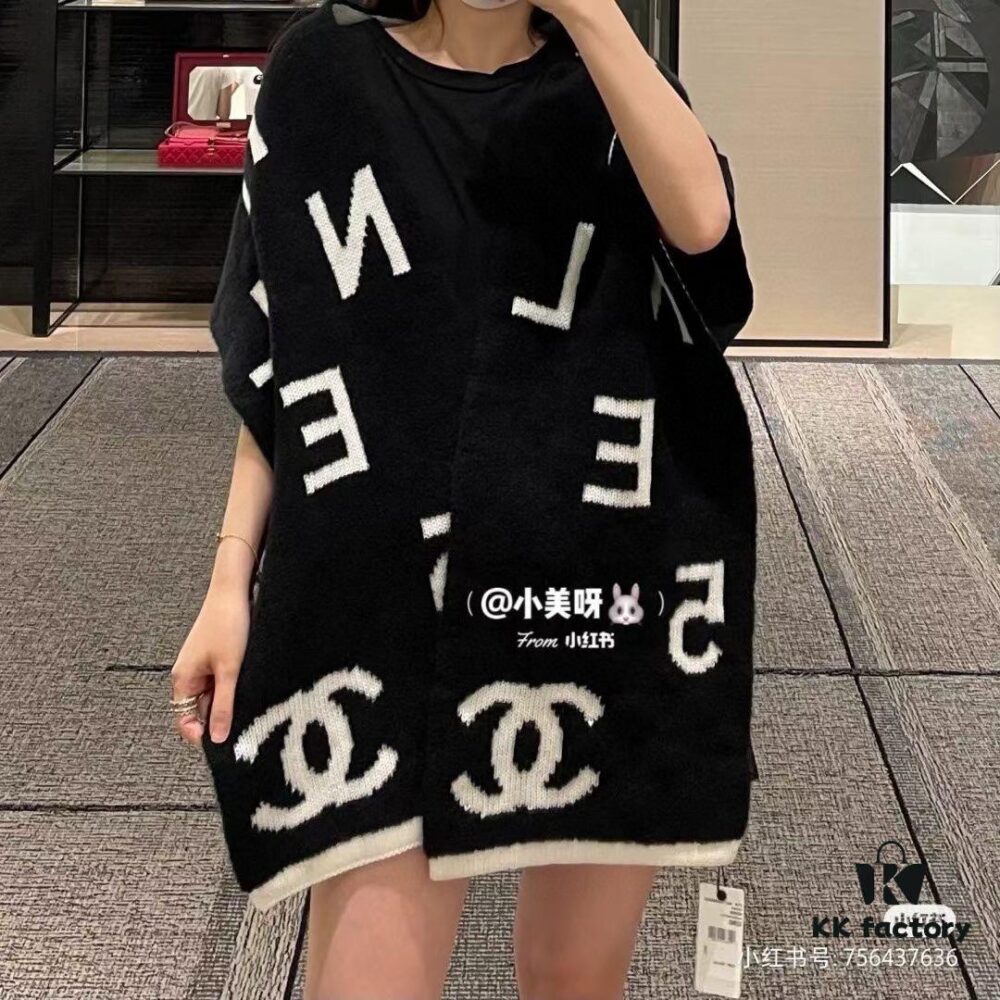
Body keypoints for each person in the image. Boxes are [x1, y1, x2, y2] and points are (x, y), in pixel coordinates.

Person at [171, 0, 757, 997]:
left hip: (596, 581)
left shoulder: (608, 79)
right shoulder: (321, 75)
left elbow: (705, 237)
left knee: (572, 977)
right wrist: (231, 580)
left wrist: (594, 17)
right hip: (384, 597)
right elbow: (291, 361)